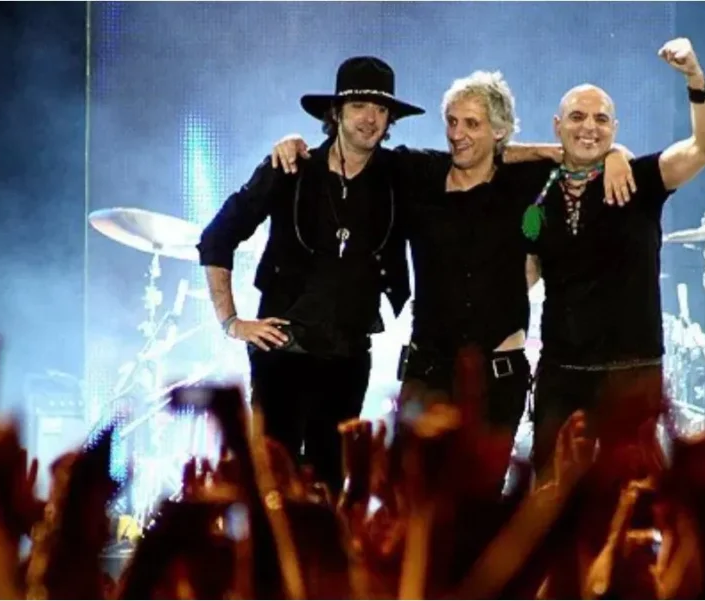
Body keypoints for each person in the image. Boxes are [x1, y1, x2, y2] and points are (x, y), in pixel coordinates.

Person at [270, 71, 635, 494]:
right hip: (427, 372)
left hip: (497, 375)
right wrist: (292, 143)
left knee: (478, 505)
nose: (457, 134)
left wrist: (616, 154)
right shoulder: (419, 173)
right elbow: (353, 149)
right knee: (411, 500)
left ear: (499, 131)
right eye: (452, 122)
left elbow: (581, 155)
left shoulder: (525, 181)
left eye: (472, 124)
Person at [196, 56, 422, 493]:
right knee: (271, 484)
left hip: (347, 358)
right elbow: (216, 238)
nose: (370, 118)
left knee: (329, 485)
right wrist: (232, 322)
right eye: (359, 105)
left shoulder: (398, 176)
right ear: (336, 112)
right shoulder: (291, 168)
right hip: (282, 353)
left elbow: (475, 158)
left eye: (380, 108)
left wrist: (556, 154)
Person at [525, 37, 705, 483]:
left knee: (632, 498)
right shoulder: (539, 192)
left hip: (630, 374)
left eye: (601, 120)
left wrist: (695, 78)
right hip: (561, 372)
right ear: (557, 126)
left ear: (615, 128)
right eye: (577, 117)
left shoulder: (639, 179)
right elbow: (529, 265)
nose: (589, 128)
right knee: (551, 498)